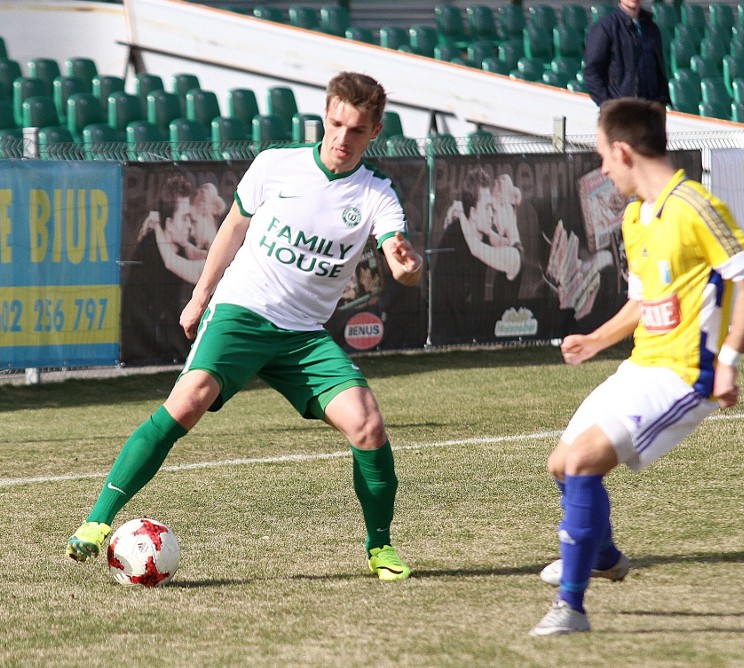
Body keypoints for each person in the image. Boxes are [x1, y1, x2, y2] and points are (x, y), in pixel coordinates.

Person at [67, 71, 424, 582]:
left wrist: (407, 268)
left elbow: (399, 258)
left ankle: (381, 547)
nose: (344, 138)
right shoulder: (276, 165)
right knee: (188, 401)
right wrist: (200, 296)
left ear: (376, 131)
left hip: (303, 334)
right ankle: (97, 522)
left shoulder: (376, 193)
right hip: (242, 311)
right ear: (325, 115)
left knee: (367, 424)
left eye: (358, 130)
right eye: (337, 123)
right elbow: (233, 226)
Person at [529, 98, 744, 635]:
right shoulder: (637, 216)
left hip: (686, 375)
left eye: (602, 158)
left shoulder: (694, 205)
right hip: (642, 367)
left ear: (622, 150)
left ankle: (571, 608)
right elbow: (643, 302)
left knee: (585, 461)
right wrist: (595, 340)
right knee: (561, 464)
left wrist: (728, 361)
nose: (602, 171)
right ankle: (604, 555)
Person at [431, 167, 523, 343]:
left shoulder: (508, 252)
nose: (492, 215)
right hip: (451, 335)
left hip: (493, 332)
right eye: (489, 207)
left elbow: (476, 248)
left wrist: (462, 212)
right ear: (473, 213)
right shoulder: (456, 238)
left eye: (495, 208)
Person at [121, 174, 204, 364]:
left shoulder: (198, 252)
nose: (189, 227)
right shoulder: (150, 251)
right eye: (185, 219)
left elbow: (176, 261)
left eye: (192, 219)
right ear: (169, 222)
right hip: (144, 351)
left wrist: (158, 224)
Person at [583, 0, 670, 107]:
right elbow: (592, 71)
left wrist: (661, 101)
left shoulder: (652, 28)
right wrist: (608, 105)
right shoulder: (606, 26)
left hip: (651, 112)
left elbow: (659, 70)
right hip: (621, 113)